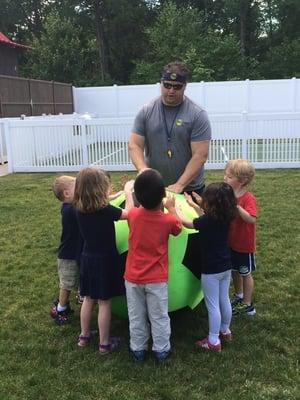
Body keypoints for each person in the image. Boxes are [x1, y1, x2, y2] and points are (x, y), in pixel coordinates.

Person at [73, 167, 134, 354]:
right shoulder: (106, 210)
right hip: (105, 260)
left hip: (87, 258)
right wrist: (127, 192)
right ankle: (104, 343)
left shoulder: (79, 207)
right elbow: (129, 212)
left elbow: (101, 202)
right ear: (100, 189)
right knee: (104, 302)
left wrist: (114, 194)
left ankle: (83, 337)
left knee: (88, 299)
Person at [128, 61, 211, 197]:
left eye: (177, 87)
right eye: (167, 85)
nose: (171, 91)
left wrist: (180, 184)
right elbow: (134, 144)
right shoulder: (146, 111)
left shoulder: (197, 114)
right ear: (161, 83)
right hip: (154, 188)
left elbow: (200, 155)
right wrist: (143, 170)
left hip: (189, 189)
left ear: (185, 87)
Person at [124, 169, 182, 362]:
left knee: (136, 315)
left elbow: (133, 209)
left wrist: (127, 191)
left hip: (132, 278)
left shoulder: (132, 215)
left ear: (138, 197)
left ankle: (138, 349)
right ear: (163, 197)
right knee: (158, 316)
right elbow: (178, 228)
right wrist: (172, 208)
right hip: (156, 279)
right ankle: (161, 350)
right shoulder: (167, 220)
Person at [178, 182, 237, 352]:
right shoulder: (226, 216)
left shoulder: (206, 221)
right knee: (224, 299)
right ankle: (225, 331)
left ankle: (213, 340)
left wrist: (176, 211)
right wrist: (193, 203)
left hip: (211, 270)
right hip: (226, 266)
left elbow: (188, 223)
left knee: (212, 305)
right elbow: (202, 217)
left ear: (210, 203)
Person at [224, 159, 257, 316]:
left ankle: (248, 304)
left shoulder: (248, 198)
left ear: (242, 181)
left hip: (244, 245)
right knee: (234, 271)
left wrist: (237, 207)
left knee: (245, 273)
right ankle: (239, 295)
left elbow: (251, 218)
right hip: (230, 243)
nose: (225, 178)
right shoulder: (229, 194)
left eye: (229, 176)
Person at [50, 175, 82, 325]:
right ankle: (60, 309)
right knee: (67, 283)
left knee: (72, 281)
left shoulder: (72, 206)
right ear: (67, 193)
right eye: (77, 187)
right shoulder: (70, 210)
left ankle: (64, 304)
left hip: (74, 253)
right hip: (68, 256)